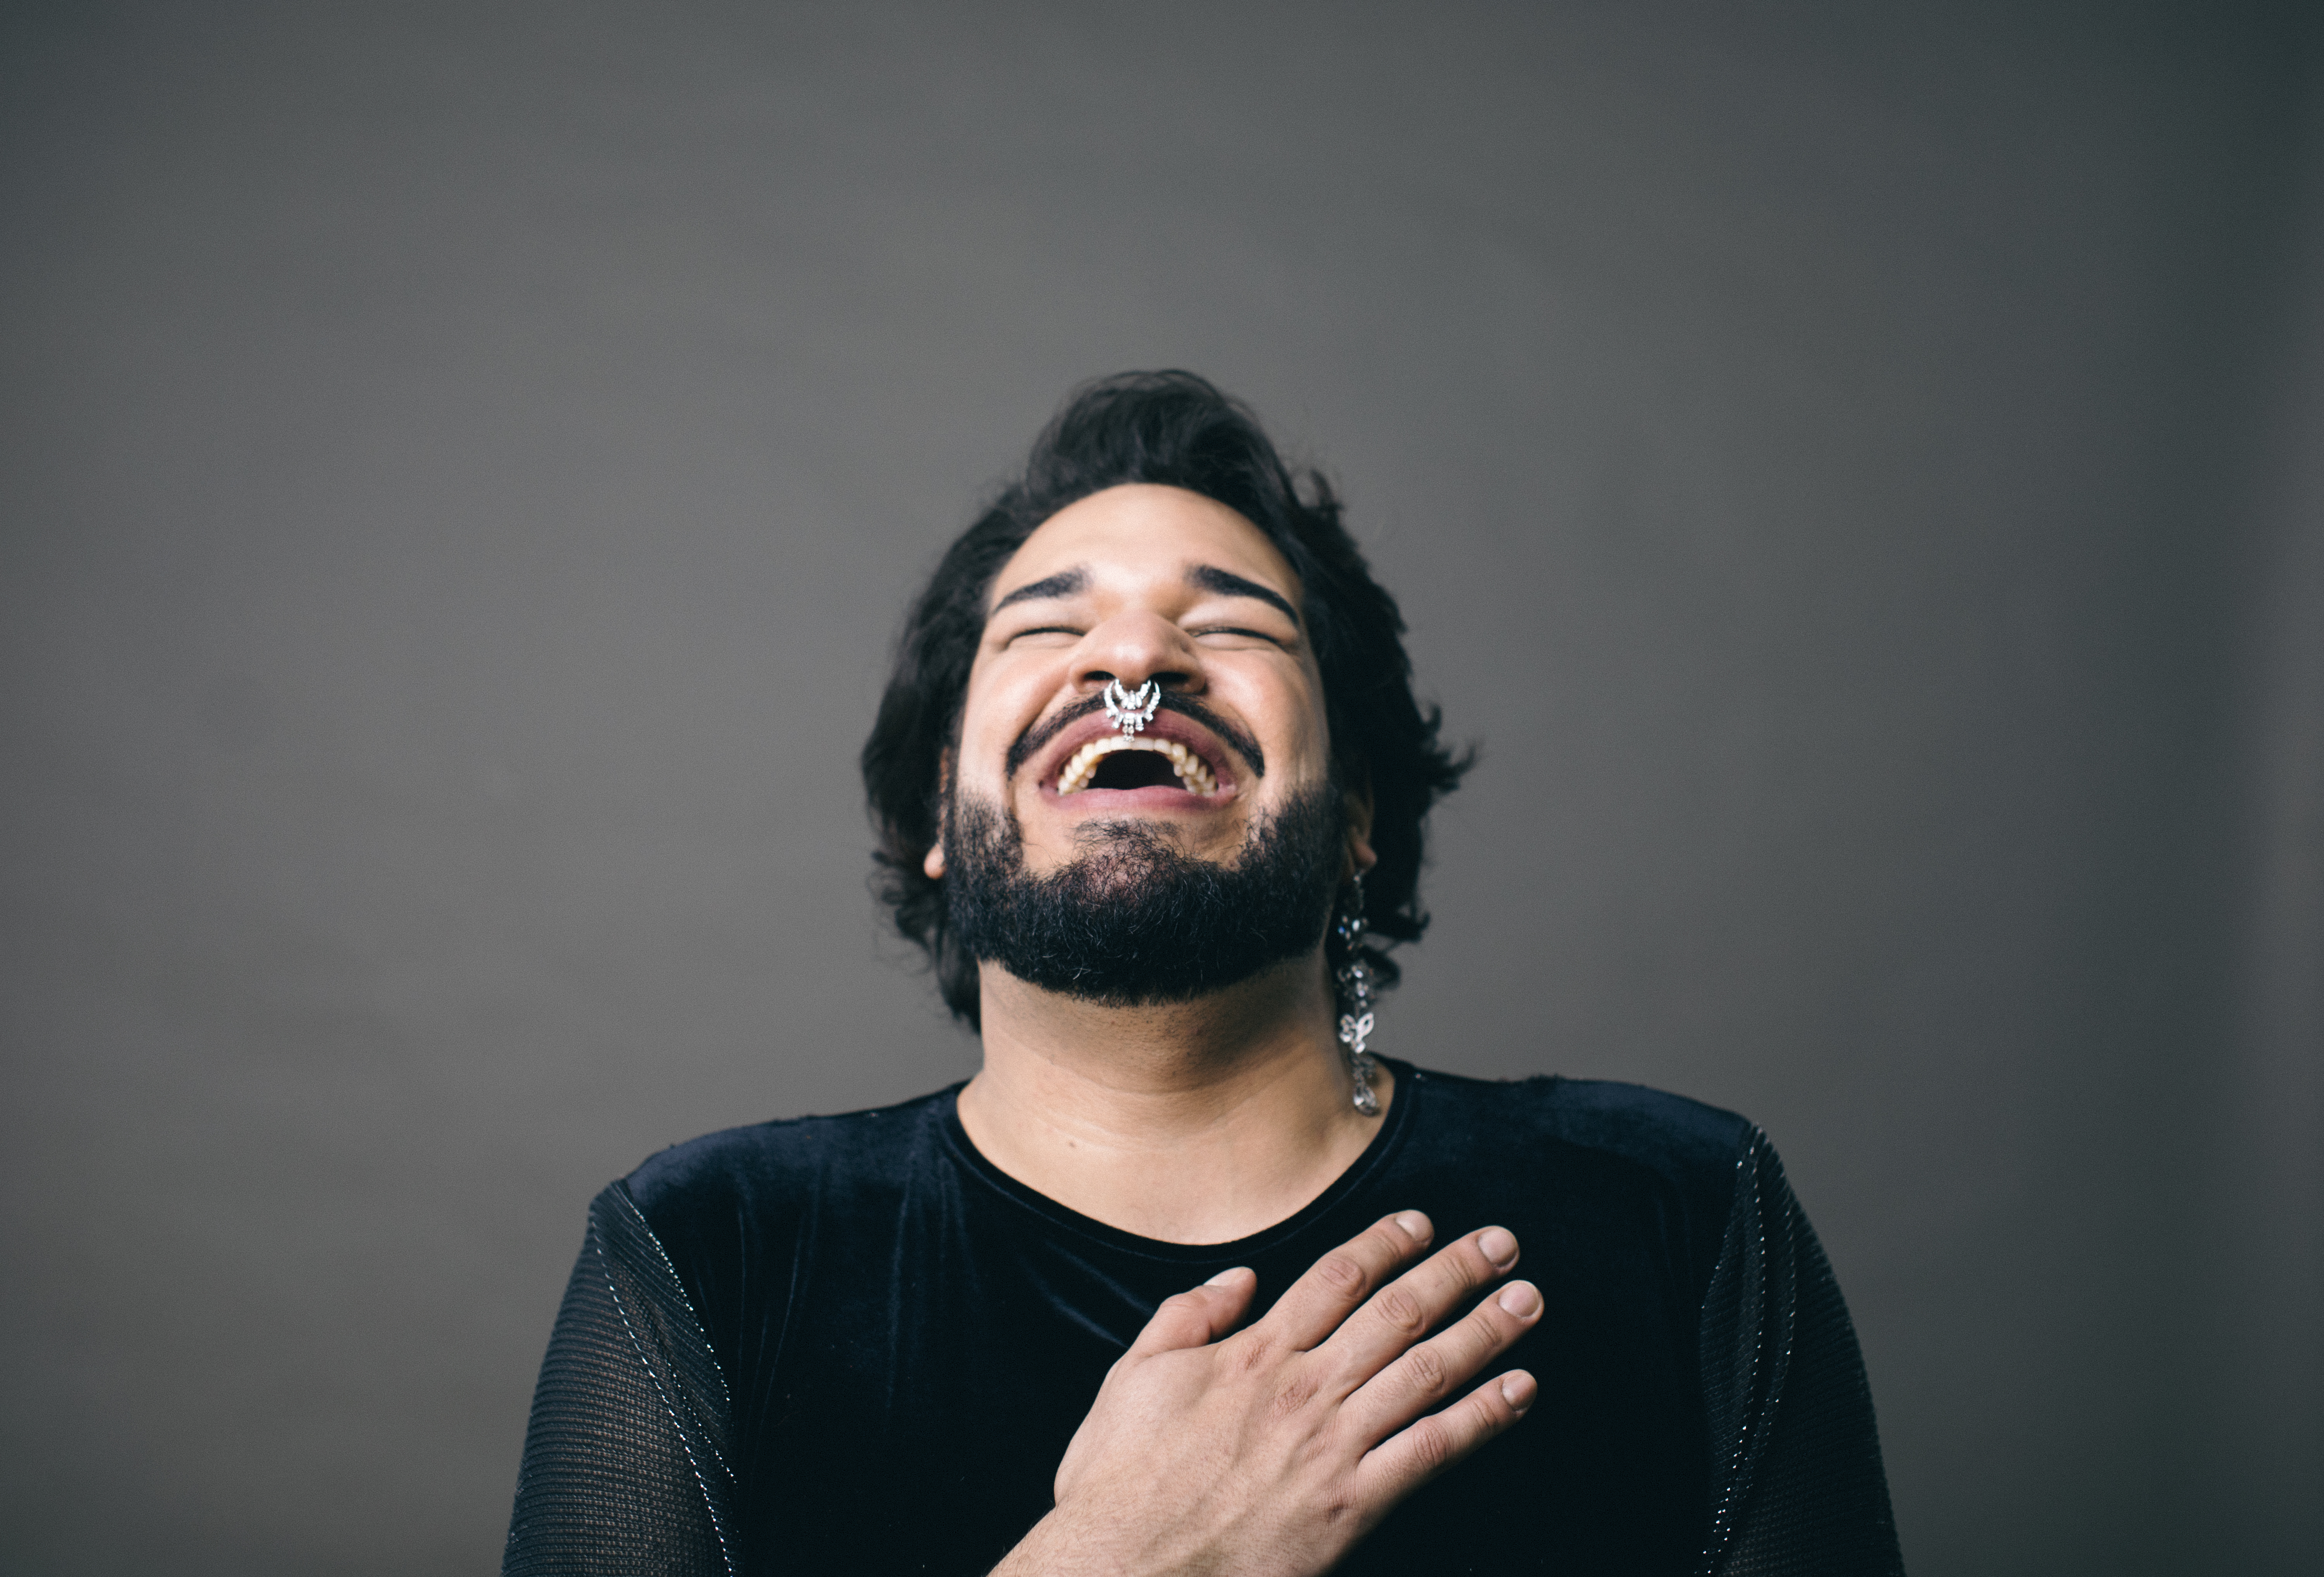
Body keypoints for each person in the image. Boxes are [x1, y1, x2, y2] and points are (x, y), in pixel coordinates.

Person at [501, 372, 1905, 1576]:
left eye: (1231, 621)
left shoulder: (1684, 1217)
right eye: (1049, 625)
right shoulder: (713, 1252)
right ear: (940, 815)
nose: (1132, 655)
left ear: (1358, 811)